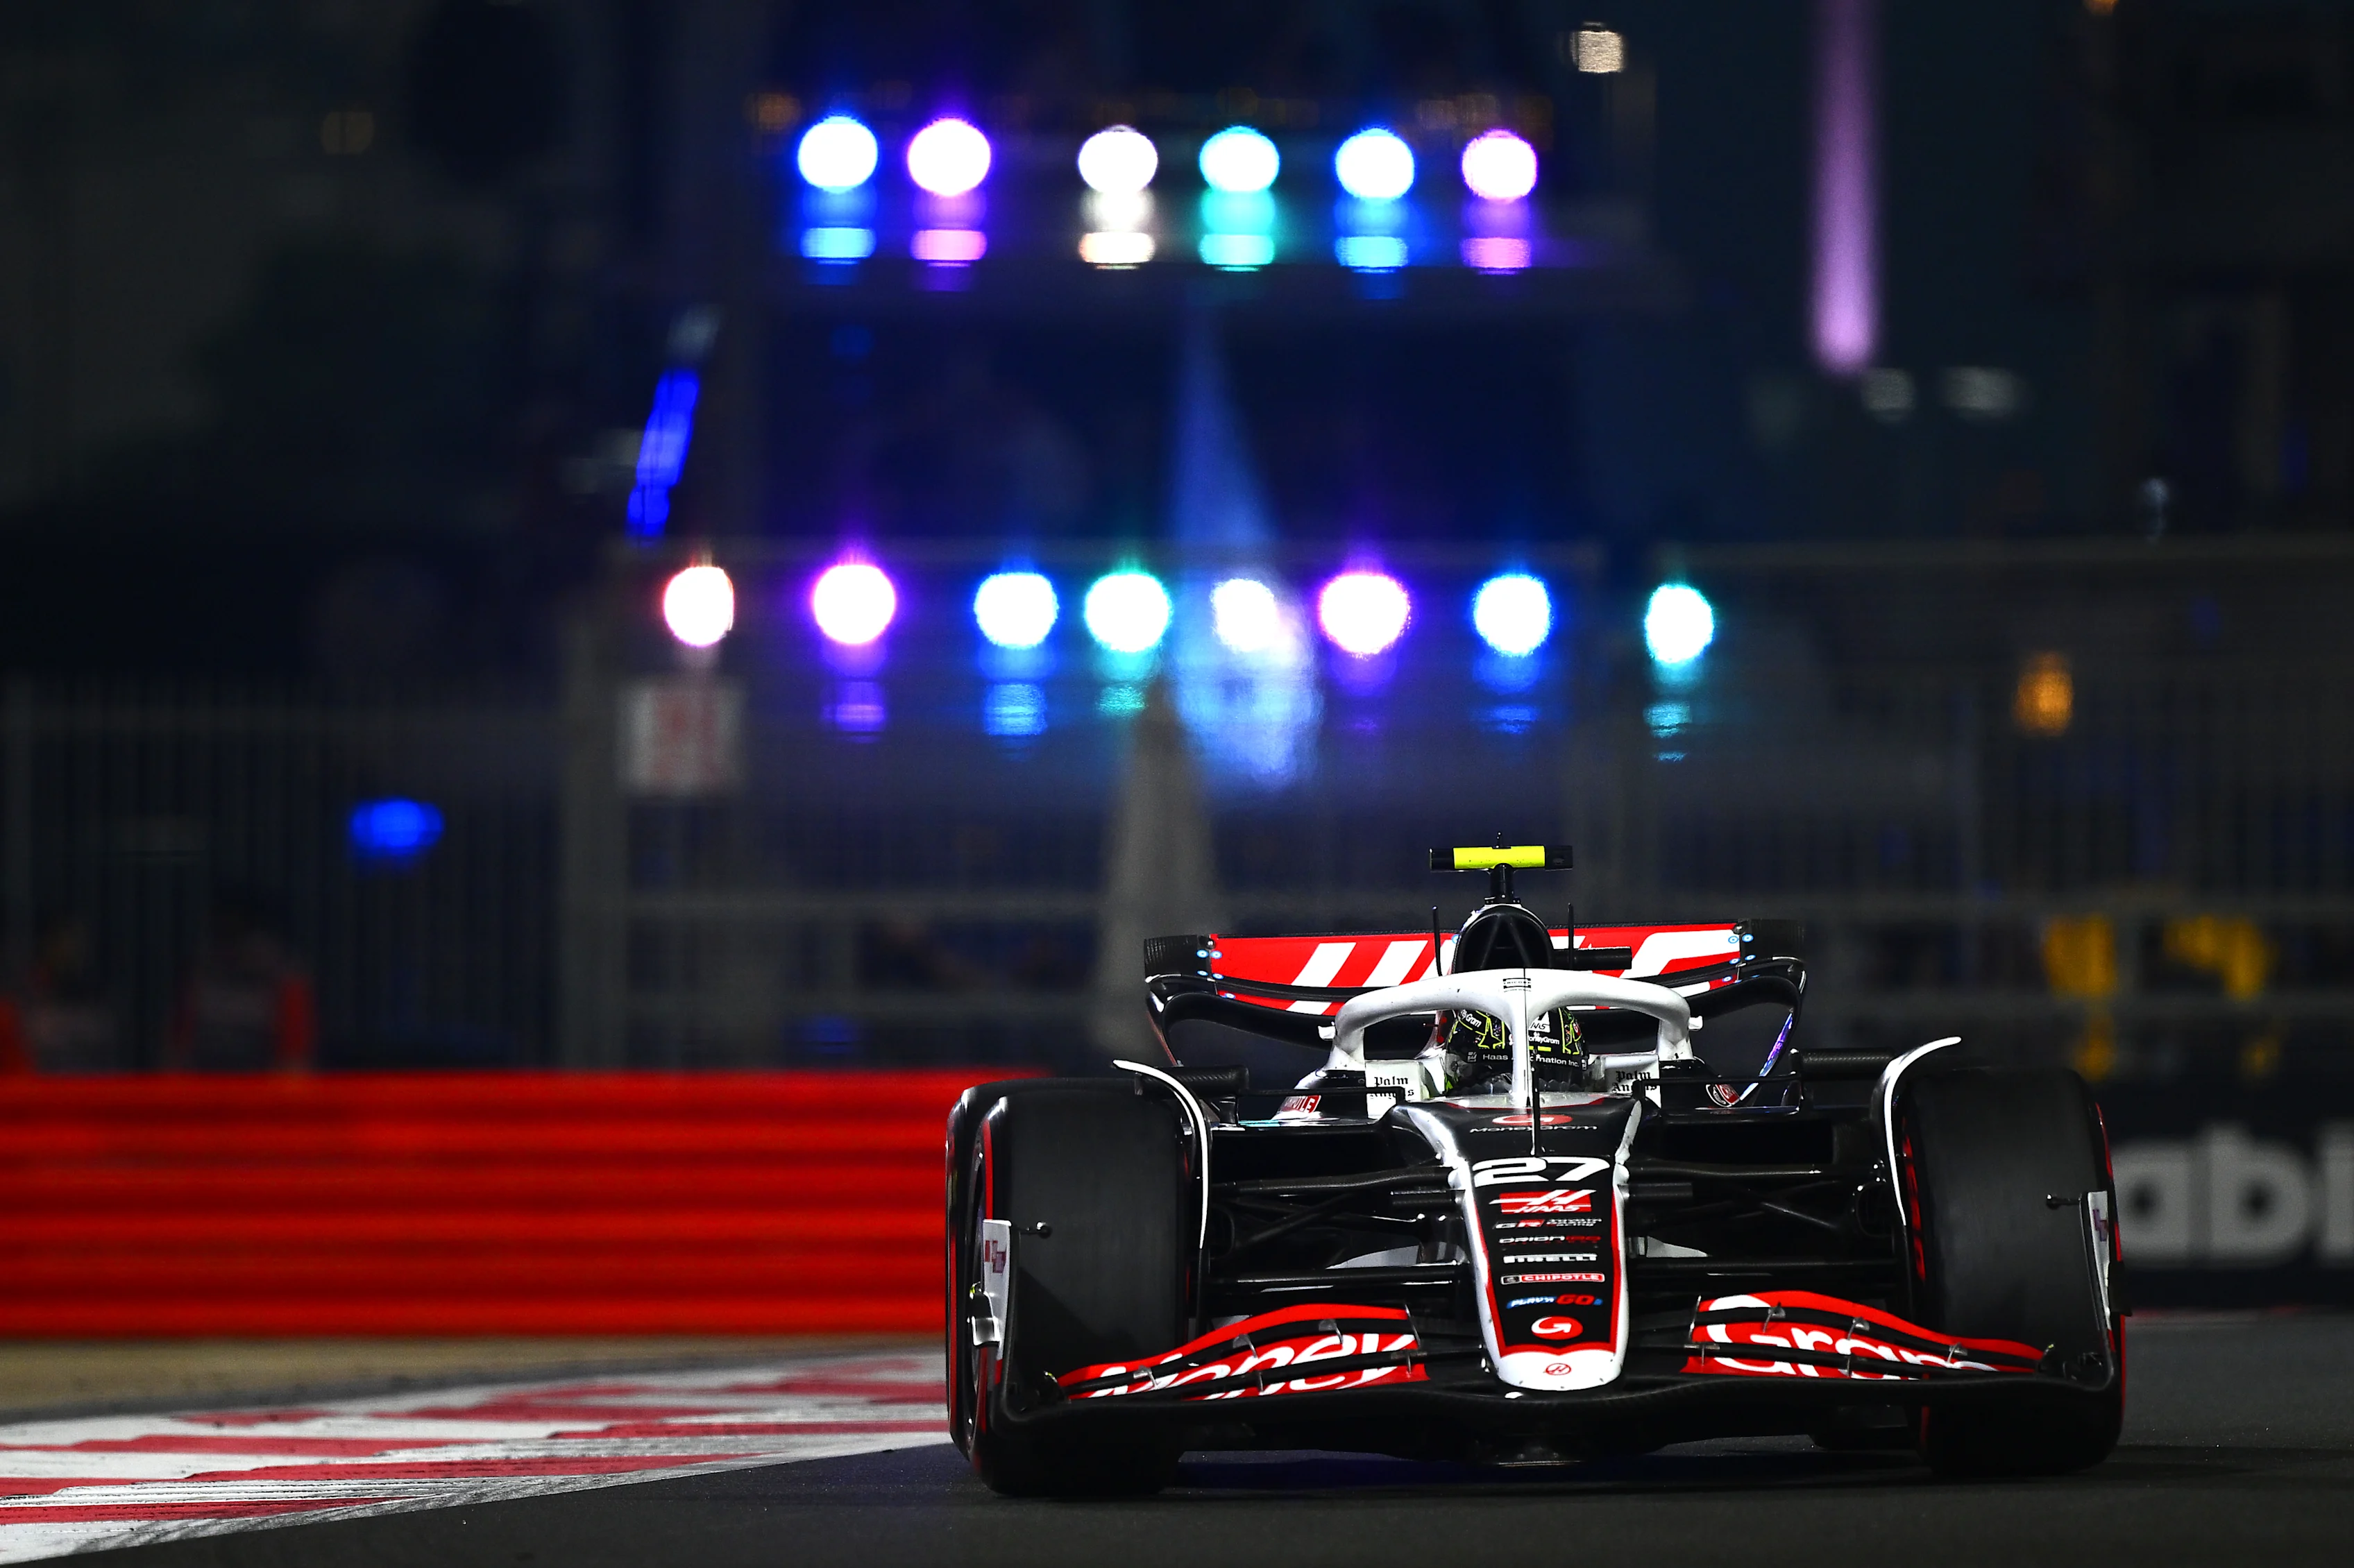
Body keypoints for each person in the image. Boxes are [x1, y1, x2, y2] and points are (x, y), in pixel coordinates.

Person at [165, 889, 315, 1071]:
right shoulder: (203, 973)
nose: (234, 947)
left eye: (240, 934)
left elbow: (295, 1058)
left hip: (263, 1090)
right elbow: (178, 1050)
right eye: (224, 934)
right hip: (203, 1087)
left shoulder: (285, 980)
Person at [0, 915, 124, 1073]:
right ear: (46, 944)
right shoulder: (18, 998)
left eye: (75, 942)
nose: (71, 949)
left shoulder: (89, 994)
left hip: (82, 1087)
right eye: (62, 942)